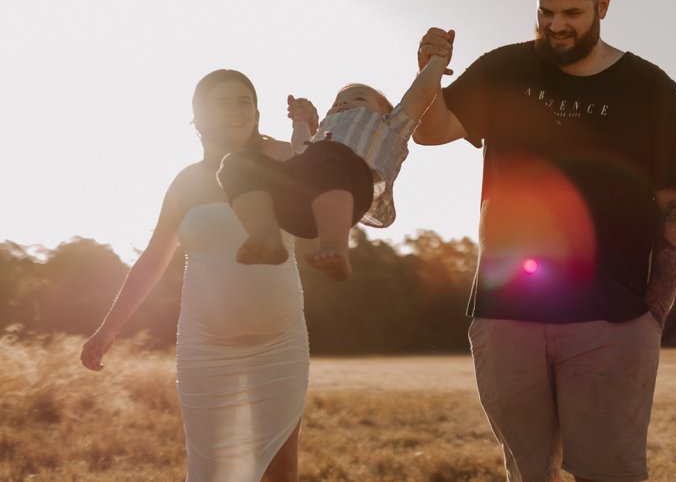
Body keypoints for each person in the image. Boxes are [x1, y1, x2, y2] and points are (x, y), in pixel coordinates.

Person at [414, 0, 676, 482]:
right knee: (527, 472)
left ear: (604, 5)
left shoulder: (652, 89)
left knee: (609, 471)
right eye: (546, 12)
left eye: (572, 13)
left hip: (611, 318)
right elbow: (430, 129)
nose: (556, 26)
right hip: (506, 316)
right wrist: (429, 72)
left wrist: (654, 314)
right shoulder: (504, 68)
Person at [80, 69, 316, 482]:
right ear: (199, 116)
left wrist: (309, 133)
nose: (237, 109)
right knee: (212, 472)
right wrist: (107, 329)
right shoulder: (185, 182)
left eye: (245, 100)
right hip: (207, 347)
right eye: (223, 101)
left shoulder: (284, 159)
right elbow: (153, 259)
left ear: (258, 112)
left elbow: (329, 186)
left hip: (280, 345)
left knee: (280, 471)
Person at [217, 52, 451, 282]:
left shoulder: (391, 125)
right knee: (238, 161)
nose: (343, 104)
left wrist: (436, 62)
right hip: (301, 207)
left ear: (387, 112)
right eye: (337, 103)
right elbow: (300, 151)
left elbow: (420, 93)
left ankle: (334, 247)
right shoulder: (322, 136)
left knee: (326, 152)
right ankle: (265, 234)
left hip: (351, 190)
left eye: (358, 99)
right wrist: (300, 122)